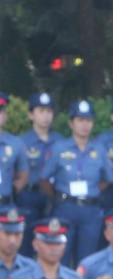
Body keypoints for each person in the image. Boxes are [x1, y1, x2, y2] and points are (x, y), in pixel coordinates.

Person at [41, 100, 113, 267]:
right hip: (65, 207)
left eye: (88, 120)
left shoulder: (99, 149)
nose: (85, 125)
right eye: (80, 120)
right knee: (62, 255)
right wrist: (57, 195)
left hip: (90, 210)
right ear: (71, 123)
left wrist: (93, 191)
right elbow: (44, 178)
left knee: (87, 259)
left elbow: (108, 179)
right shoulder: (59, 148)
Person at [18, 93, 62, 257]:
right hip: (29, 195)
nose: (46, 116)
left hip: (53, 196)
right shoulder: (22, 142)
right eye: (41, 111)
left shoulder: (60, 141)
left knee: (52, 243)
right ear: (31, 114)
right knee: (26, 244)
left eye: (49, 111)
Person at [0, 93, 28, 207]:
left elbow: (23, 176)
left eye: (0, 111)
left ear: (5, 115)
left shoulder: (16, 143)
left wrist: (10, 193)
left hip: (6, 206)